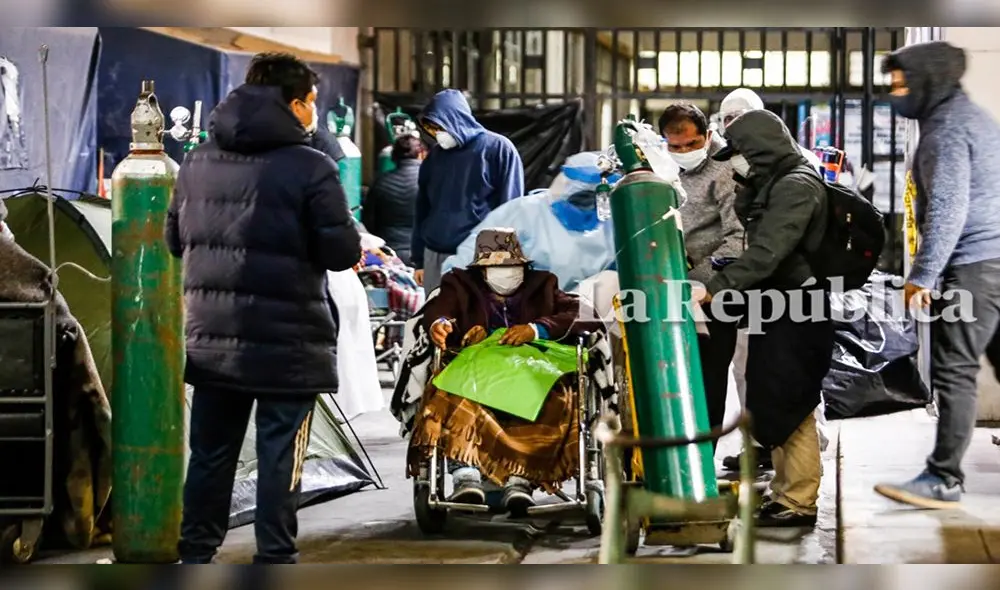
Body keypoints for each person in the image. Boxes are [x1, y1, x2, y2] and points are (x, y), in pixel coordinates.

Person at [165, 52, 362, 564]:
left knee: (211, 455)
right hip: (288, 343)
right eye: (311, 102)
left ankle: (195, 555)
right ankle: (274, 559)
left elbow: (174, 241)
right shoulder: (312, 166)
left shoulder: (197, 161)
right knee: (280, 457)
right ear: (294, 104)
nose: (314, 112)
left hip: (213, 339)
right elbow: (342, 253)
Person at [874, 41, 1000, 509]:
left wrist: (924, 275)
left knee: (954, 368)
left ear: (929, 81)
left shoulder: (946, 128)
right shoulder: (974, 118)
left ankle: (943, 477)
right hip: (994, 257)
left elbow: (949, 208)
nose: (896, 93)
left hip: (977, 263)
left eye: (901, 84)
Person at [706, 109, 832, 527]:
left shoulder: (797, 185)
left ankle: (798, 500)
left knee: (792, 401)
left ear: (759, 148)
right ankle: (785, 492)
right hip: (775, 302)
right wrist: (748, 184)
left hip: (797, 307)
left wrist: (718, 286)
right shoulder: (774, 181)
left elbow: (768, 251)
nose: (736, 162)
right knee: (773, 398)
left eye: (740, 154)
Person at [409, 228, 583, 515]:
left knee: (555, 399)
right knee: (450, 390)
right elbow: (439, 311)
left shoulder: (544, 284)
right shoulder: (459, 284)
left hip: (532, 368)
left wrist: (535, 329)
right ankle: (466, 476)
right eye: (497, 267)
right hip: (477, 366)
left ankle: (520, 481)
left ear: (523, 267)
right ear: (482, 270)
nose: (506, 272)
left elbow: (581, 314)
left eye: (512, 266)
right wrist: (440, 324)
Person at [658, 103, 744, 453]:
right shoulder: (661, 168)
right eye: (674, 146)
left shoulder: (726, 170)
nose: (683, 152)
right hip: (666, 288)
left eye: (691, 144)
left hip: (714, 292)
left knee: (708, 378)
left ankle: (703, 459)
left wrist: (700, 276)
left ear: (708, 136)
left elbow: (738, 239)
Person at [441, 151, 619, 292]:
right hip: (527, 310)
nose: (588, 208)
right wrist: (452, 287)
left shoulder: (612, 223)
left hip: (587, 312)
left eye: (595, 201)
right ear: (564, 187)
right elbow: (473, 254)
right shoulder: (525, 212)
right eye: (582, 198)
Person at [412, 89, 525, 294]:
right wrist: (419, 260)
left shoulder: (498, 148)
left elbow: (510, 207)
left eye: (439, 126)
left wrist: (501, 261)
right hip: (434, 254)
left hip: (477, 256)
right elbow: (423, 207)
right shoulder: (435, 157)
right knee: (436, 312)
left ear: (457, 119)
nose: (436, 134)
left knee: (474, 313)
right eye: (431, 129)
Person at [719, 88, 823, 172]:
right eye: (728, 118)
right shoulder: (724, 163)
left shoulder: (802, 159)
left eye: (740, 117)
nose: (733, 124)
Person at [363, 134, 426, 265]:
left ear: (394, 156)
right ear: (421, 154)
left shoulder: (381, 182)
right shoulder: (431, 182)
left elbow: (368, 220)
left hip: (390, 252)